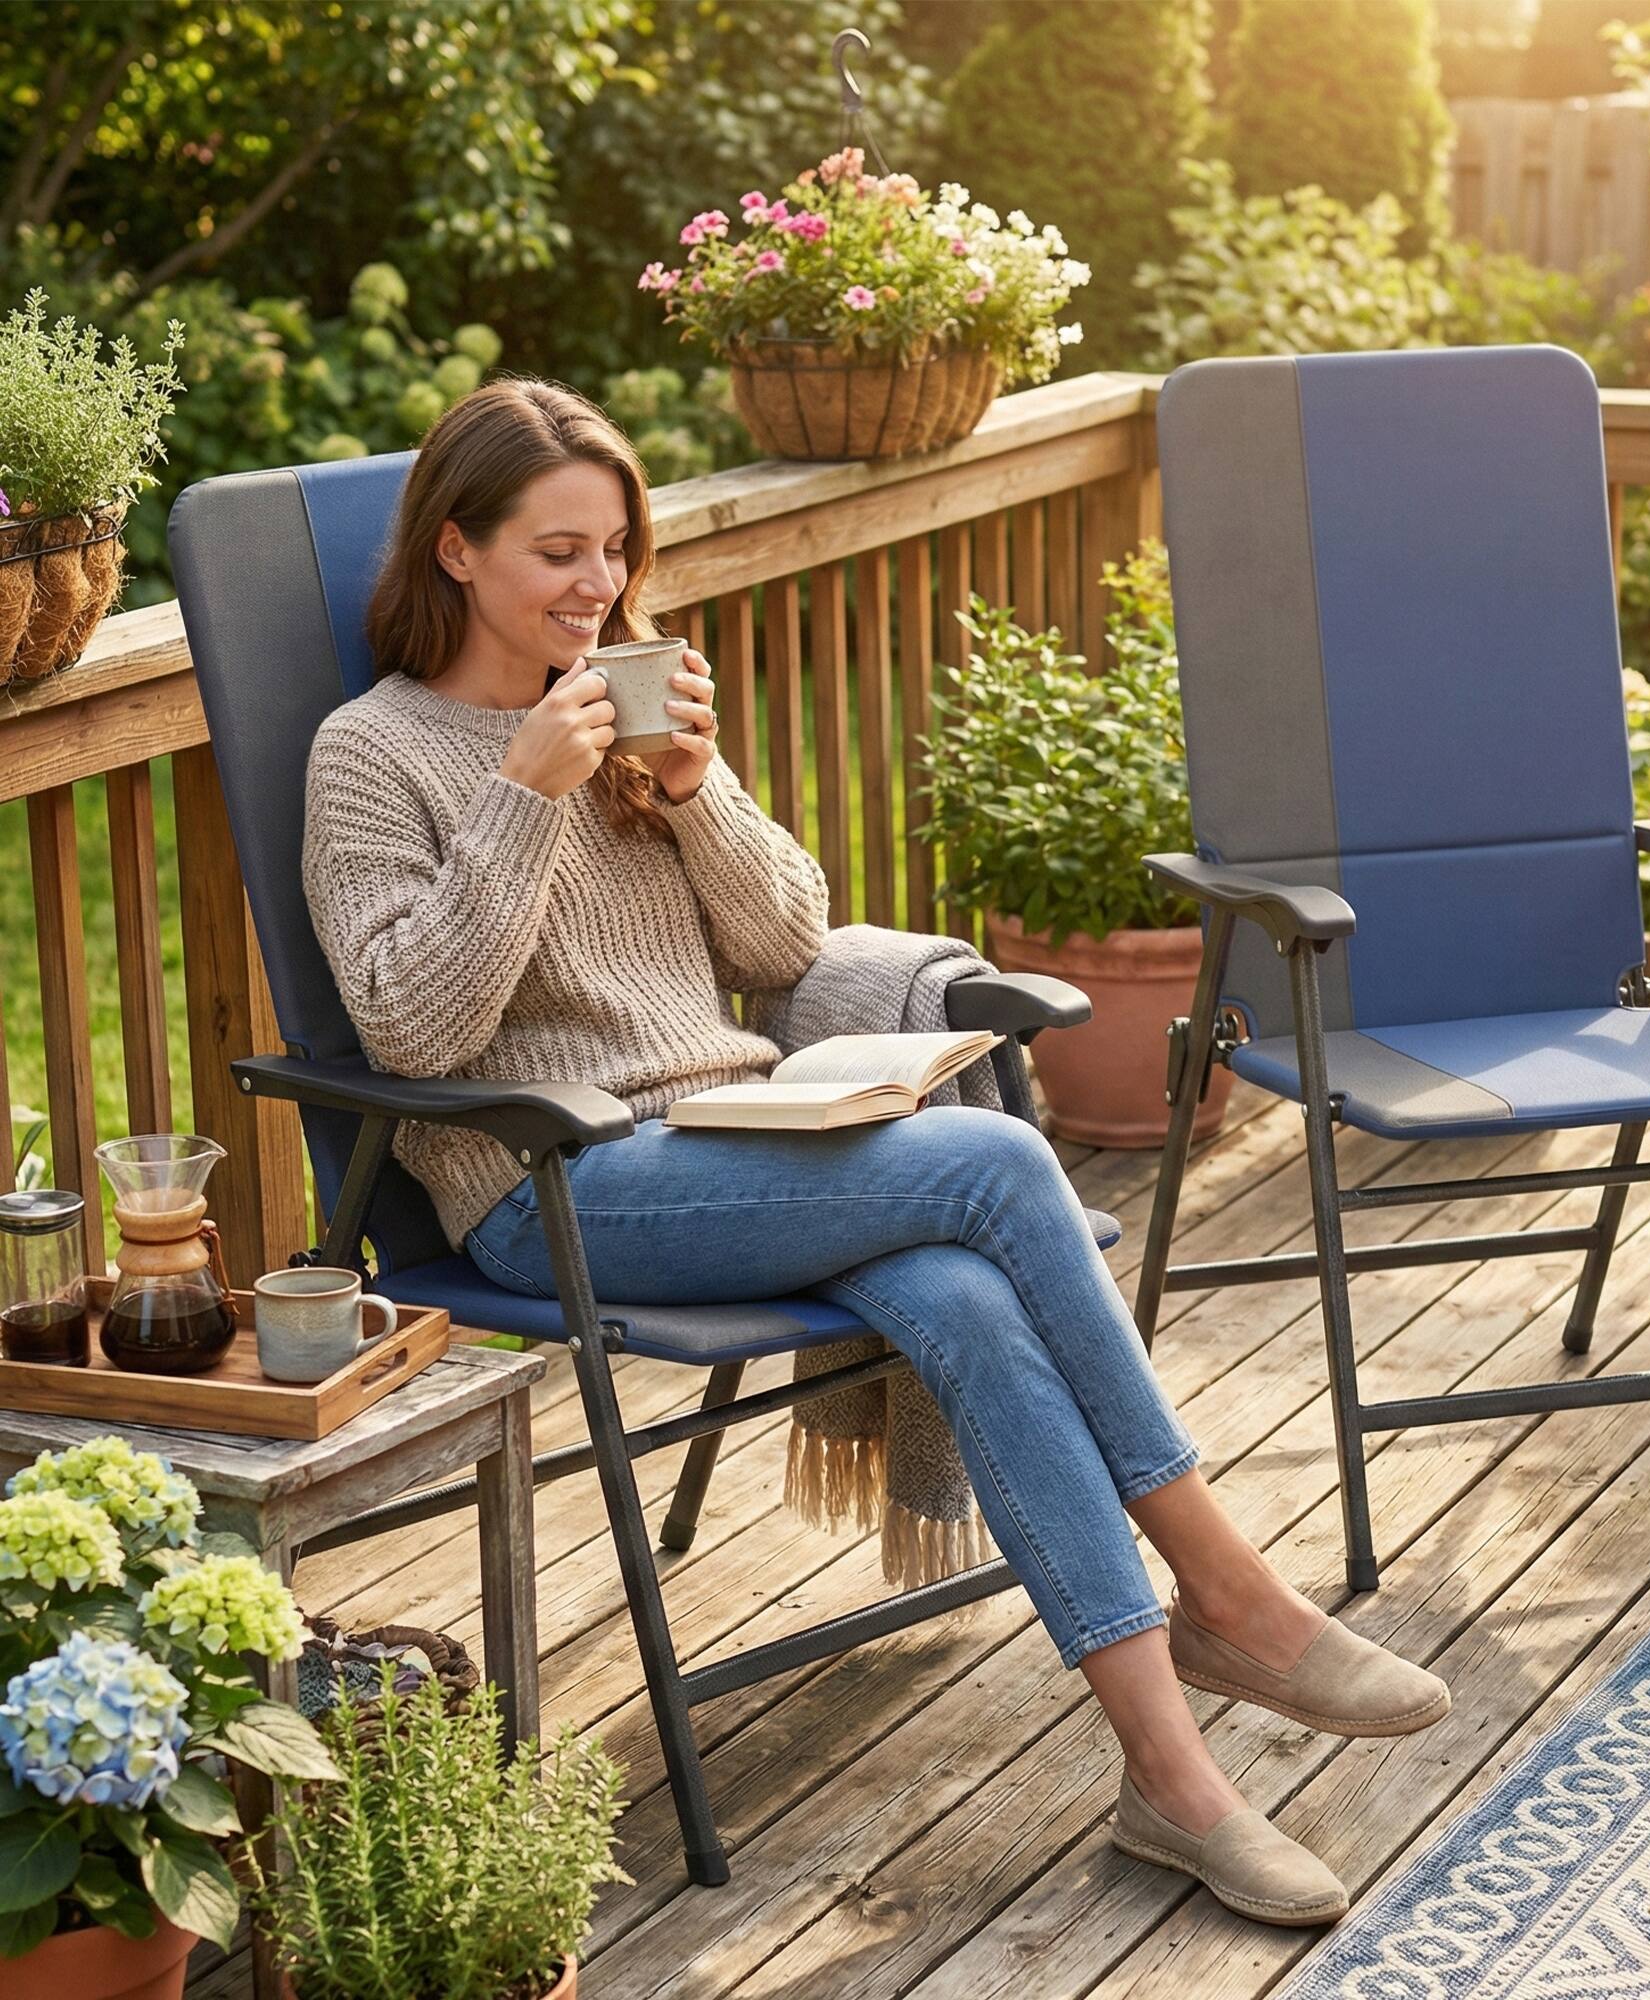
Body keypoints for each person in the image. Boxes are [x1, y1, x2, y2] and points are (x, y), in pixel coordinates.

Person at [301, 377, 1449, 1927]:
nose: (597, 586)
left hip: (725, 1136)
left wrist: (697, 791)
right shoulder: (369, 755)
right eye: (556, 552)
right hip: (549, 1188)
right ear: (455, 550)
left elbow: (786, 942)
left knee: (969, 1297)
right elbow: (415, 1034)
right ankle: (1231, 1593)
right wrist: (523, 800)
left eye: (616, 552)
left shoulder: (629, 713)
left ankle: (1175, 1784)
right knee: (994, 1168)